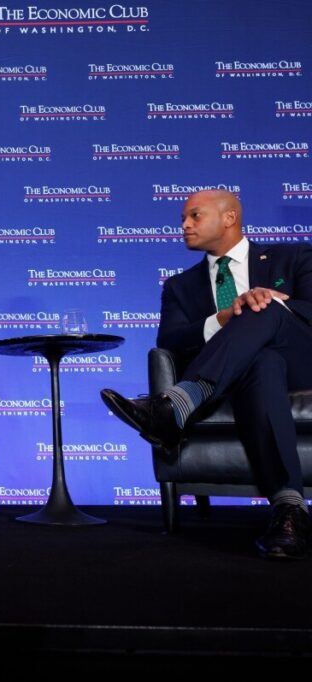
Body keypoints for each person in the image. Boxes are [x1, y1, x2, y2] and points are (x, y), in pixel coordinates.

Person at [101, 189, 312, 559]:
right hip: (245, 378)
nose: (184, 225)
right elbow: (170, 341)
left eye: (194, 216)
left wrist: (268, 303)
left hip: (301, 363)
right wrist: (221, 320)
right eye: (183, 218)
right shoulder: (179, 287)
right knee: (262, 362)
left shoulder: (292, 256)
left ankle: (179, 403)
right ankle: (289, 510)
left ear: (229, 218)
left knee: (261, 305)